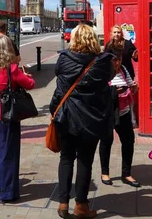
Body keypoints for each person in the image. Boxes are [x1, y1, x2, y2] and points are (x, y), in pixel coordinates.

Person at [50, 24, 116, 219]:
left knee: (66, 158)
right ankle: (81, 205)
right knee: (85, 161)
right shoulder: (103, 61)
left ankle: (63, 204)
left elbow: (59, 85)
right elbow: (109, 79)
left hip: (67, 117)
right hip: (91, 119)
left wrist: (54, 111)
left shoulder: (63, 58)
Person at [0, 35, 35, 204]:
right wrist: (29, 76)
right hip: (7, 115)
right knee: (8, 154)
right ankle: (7, 192)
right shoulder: (12, 69)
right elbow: (30, 84)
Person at [98, 43, 140, 188]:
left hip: (124, 111)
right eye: (115, 60)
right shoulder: (102, 72)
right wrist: (114, 91)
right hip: (108, 112)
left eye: (120, 59)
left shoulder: (123, 69)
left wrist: (133, 87)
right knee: (106, 141)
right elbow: (98, 93)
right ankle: (105, 172)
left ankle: (126, 173)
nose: (118, 63)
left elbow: (131, 86)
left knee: (128, 141)